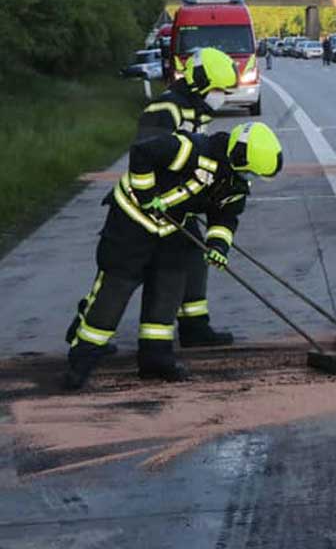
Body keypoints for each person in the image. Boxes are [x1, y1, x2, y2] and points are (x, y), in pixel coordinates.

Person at [63, 123, 283, 390]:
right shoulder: (192, 149)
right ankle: (83, 357)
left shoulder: (235, 183)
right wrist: (146, 196)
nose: (249, 177)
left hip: (171, 226)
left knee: (169, 286)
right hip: (131, 218)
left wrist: (218, 246)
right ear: (238, 155)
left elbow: (225, 217)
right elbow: (142, 152)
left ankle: (155, 357)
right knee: (116, 287)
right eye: (249, 170)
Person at [132, 47, 239, 347]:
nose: (222, 96)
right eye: (219, 89)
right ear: (202, 82)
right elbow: (147, 154)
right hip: (146, 206)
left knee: (193, 258)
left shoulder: (195, 107)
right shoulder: (167, 109)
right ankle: (85, 329)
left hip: (177, 203)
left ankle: (194, 326)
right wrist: (155, 199)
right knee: (125, 270)